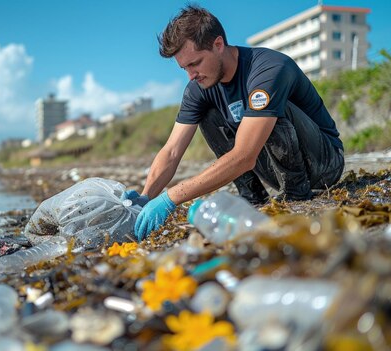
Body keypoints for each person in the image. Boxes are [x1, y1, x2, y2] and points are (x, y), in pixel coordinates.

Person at [128, 5, 345, 240]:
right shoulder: (198, 87)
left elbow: (244, 155)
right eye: (184, 68)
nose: (190, 75)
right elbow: (171, 152)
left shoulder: (268, 69)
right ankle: (252, 195)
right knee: (209, 115)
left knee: (266, 111)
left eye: (195, 63)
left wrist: (172, 197)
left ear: (218, 45)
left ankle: (296, 193)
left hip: (324, 163)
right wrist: (146, 197)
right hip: (274, 169)